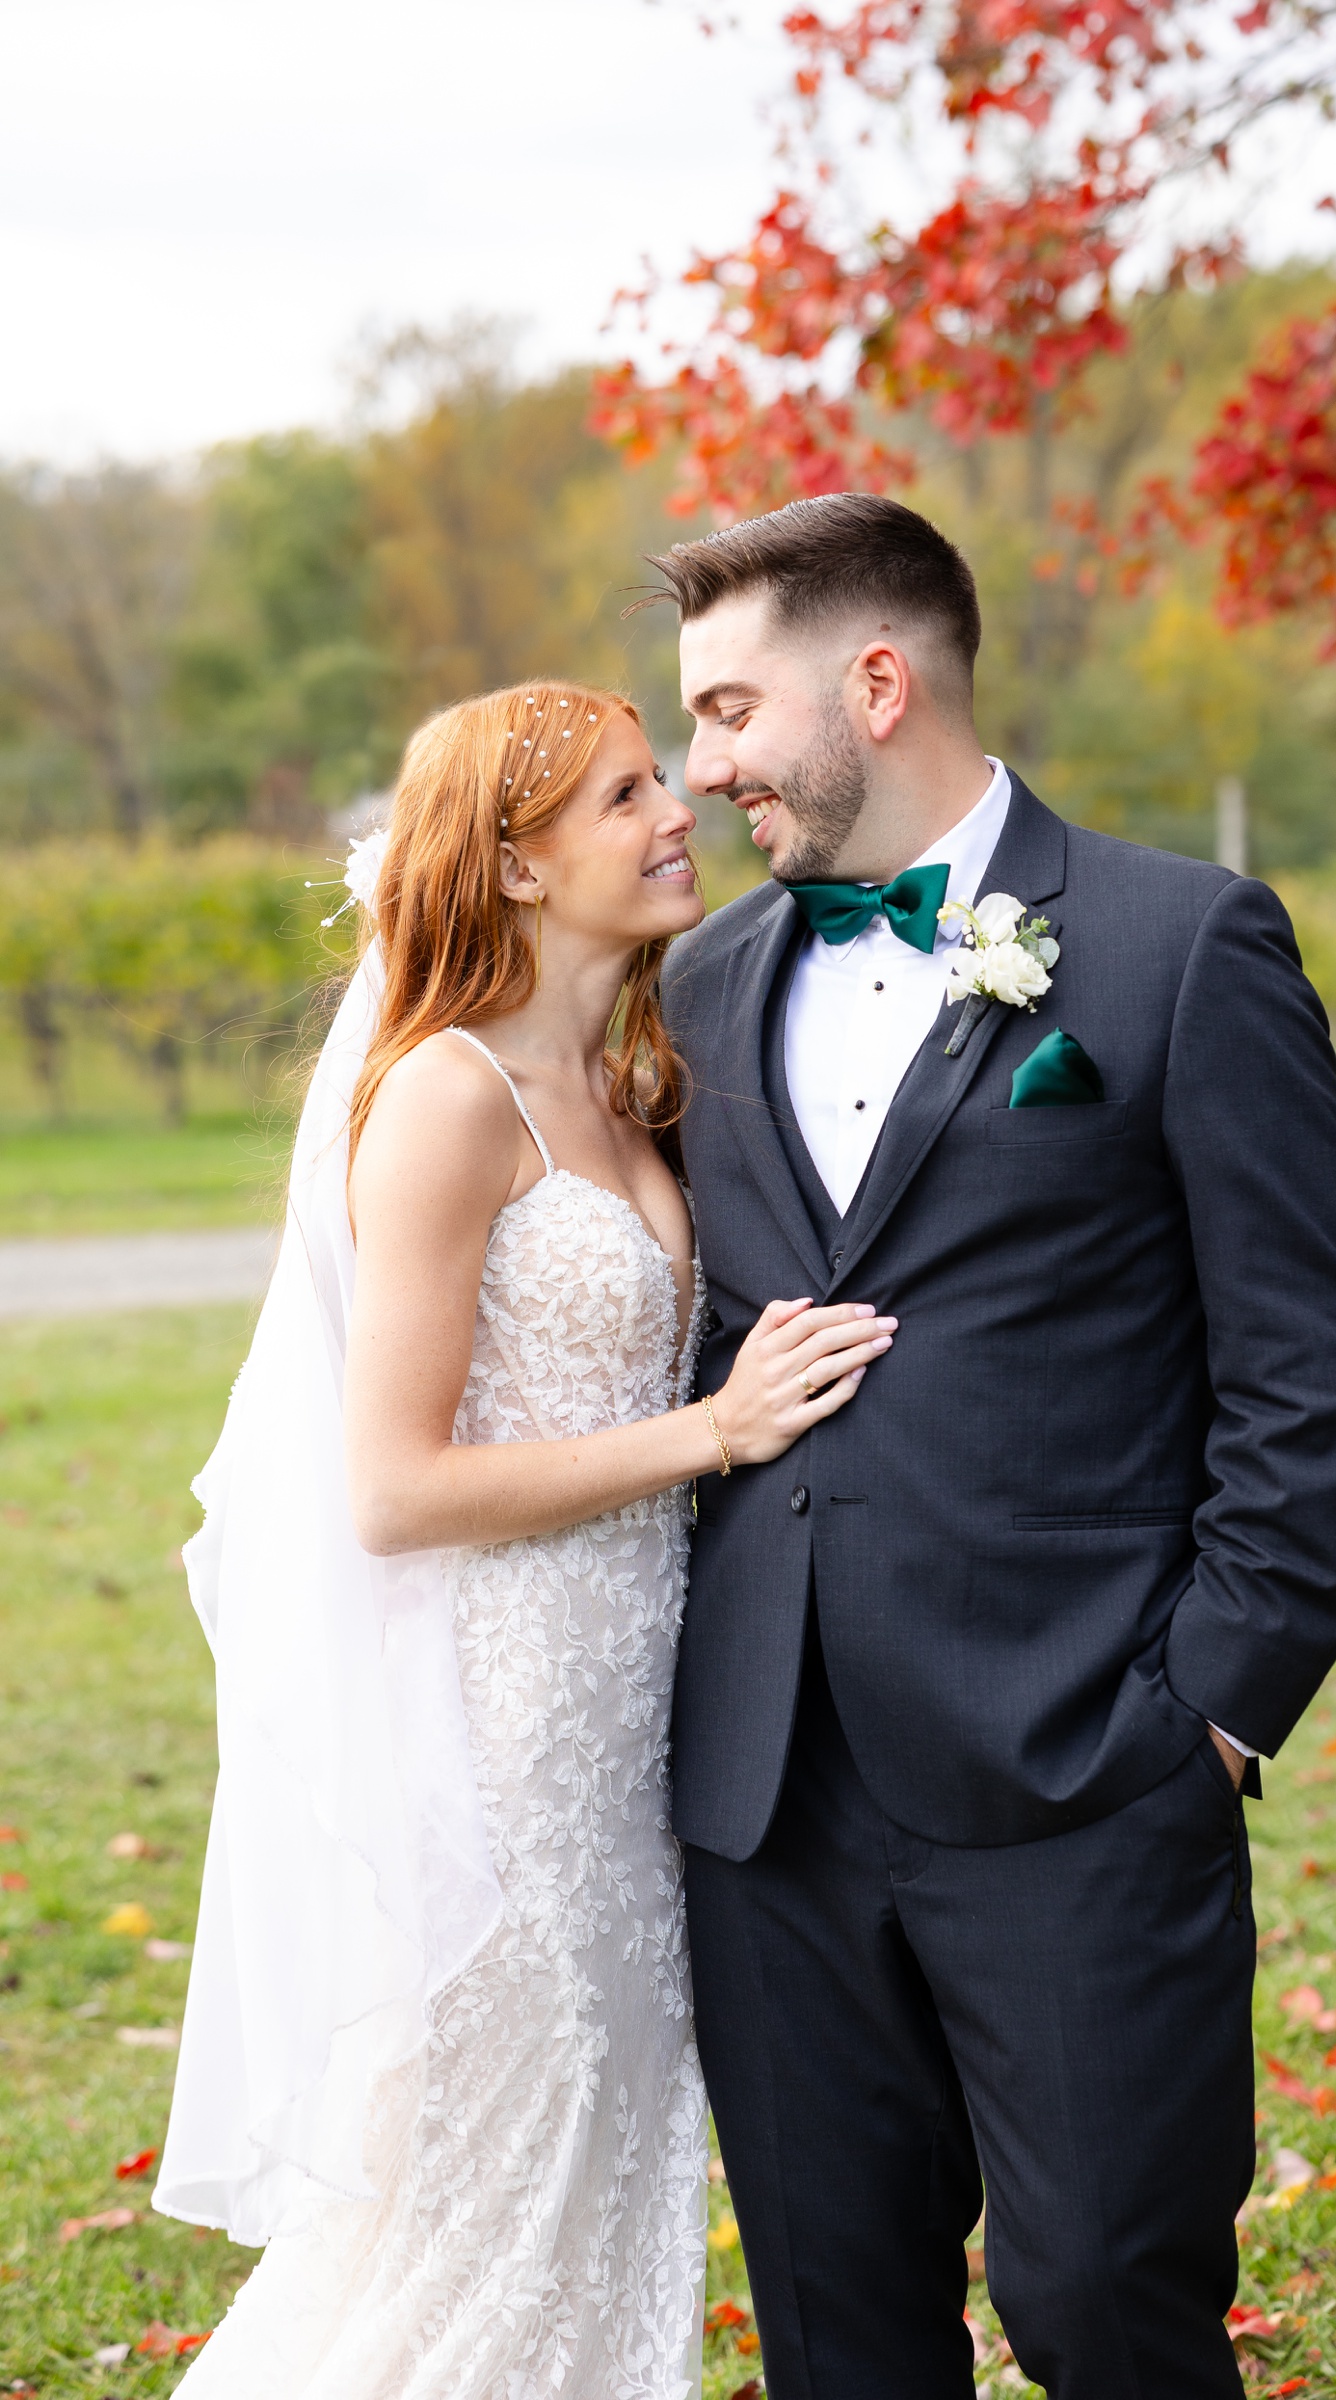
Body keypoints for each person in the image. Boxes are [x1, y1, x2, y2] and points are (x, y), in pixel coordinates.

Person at [652, 494, 1336, 2400]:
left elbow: (1310, 1362)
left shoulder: (1177, 944)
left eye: (733, 710)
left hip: (1083, 1766)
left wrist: (1211, 1707)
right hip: (766, 1793)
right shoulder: (701, 986)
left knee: (1107, 2314)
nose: (702, 763)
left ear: (878, 685)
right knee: (840, 2337)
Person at [154, 678, 895, 2399]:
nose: (674, 812)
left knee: (603, 2164)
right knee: (482, 2193)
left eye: (664, 781)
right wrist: (710, 1433)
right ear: (510, 866)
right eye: (625, 796)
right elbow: (394, 1488)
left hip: (638, 1718)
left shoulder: (635, 1080)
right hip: (494, 1727)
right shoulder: (445, 1101)